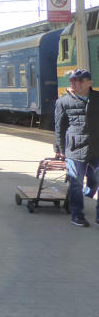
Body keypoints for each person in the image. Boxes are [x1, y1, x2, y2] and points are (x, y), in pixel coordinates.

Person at [54, 68, 99, 227]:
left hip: (96, 147)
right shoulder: (63, 101)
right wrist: (59, 149)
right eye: (72, 80)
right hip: (75, 148)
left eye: (79, 80)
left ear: (89, 83)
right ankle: (77, 214)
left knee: (94, 182)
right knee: (76, 183)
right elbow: (59, 127)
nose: (74, 83)